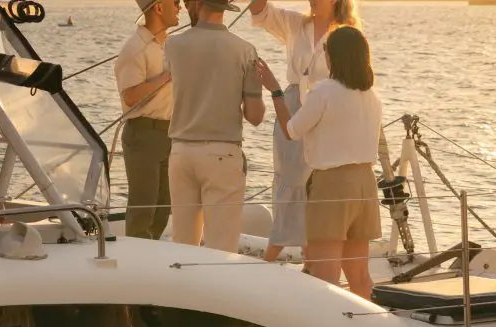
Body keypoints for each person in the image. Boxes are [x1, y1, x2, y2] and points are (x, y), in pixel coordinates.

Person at [255, 26, 382, 300]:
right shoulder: (372, 97)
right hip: (365, 185)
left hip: (332, 186)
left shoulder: (323, 91)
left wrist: (276, 91)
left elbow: (291, 131)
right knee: (360, 276)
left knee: (326, 279)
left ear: (331, 55)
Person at [250, 0, 361, 267]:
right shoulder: (295, 23)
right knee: (291, 180)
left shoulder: (347, 31)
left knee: (315, 185)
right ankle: (280, 250)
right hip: (291, 106)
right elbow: (258, 10)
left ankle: (306, 259)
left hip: (327, 111)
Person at [163, 0, 266, 253]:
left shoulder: (173, 45)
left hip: (181, 152)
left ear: (197, 4)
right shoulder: (245, 50)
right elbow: (255, 116)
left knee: (182, 247)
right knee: (221, 249)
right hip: (222, 153)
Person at [113, 0, 180, 240]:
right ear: (159, 8)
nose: (180, 7)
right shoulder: (135, 48)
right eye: (176, 2)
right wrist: (164, 78)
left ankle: (150, 254)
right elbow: (130, 96)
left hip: (168, 133)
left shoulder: (168, 45)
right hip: (143, 133)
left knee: (163, 205)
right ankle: (136, 261)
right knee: (144, 206)